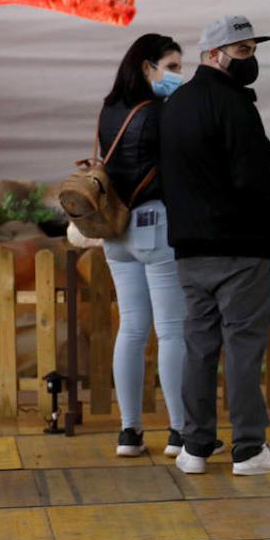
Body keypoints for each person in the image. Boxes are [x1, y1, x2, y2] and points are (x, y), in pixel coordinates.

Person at [160, 15, 270, 476]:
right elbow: (255, 177)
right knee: (242, 349)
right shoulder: (234, 105)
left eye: (253, 50)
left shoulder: (176, 105)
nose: (251, 59)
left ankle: (195, 447)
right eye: (242, 51)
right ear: (214, 54)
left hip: (190, 250)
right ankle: (249, 449)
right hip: (241, 248)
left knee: (198, 347)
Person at [98, 33, 188, 458]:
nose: (177, 76)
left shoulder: (109, 109)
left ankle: (129, 432)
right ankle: (179, 432)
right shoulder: (160, 114)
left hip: (113, 231)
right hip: (155, 225)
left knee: (132, 329)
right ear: (146, 66)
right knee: (172, 331)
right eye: (170, 67)